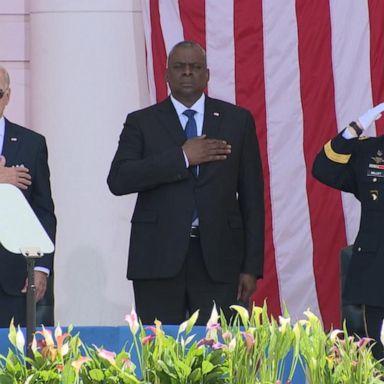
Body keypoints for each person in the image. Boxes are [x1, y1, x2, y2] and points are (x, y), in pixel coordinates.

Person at [107, 41, 264, 325]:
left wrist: (251, 268)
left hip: (219, 261)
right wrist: (182, 157)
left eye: (195, 67)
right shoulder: (142, 122)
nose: (188, 73)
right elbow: (119, 179)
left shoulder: (236, 121)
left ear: (207, 75)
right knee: (160, 353)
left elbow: (253, 199)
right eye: (180, 67)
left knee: (217, 355)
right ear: (167, 74)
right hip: (157, 259)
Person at [312, 102, 384, 360]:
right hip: (376, 278)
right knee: (372, 360)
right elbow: (323, 169)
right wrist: (354, 129)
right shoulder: (370, 151)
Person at [0, 66, 56, 328]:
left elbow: (43, 210)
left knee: (13, 360)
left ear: (8, 96)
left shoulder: (31, 143)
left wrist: (41, 267)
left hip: (14, 275)